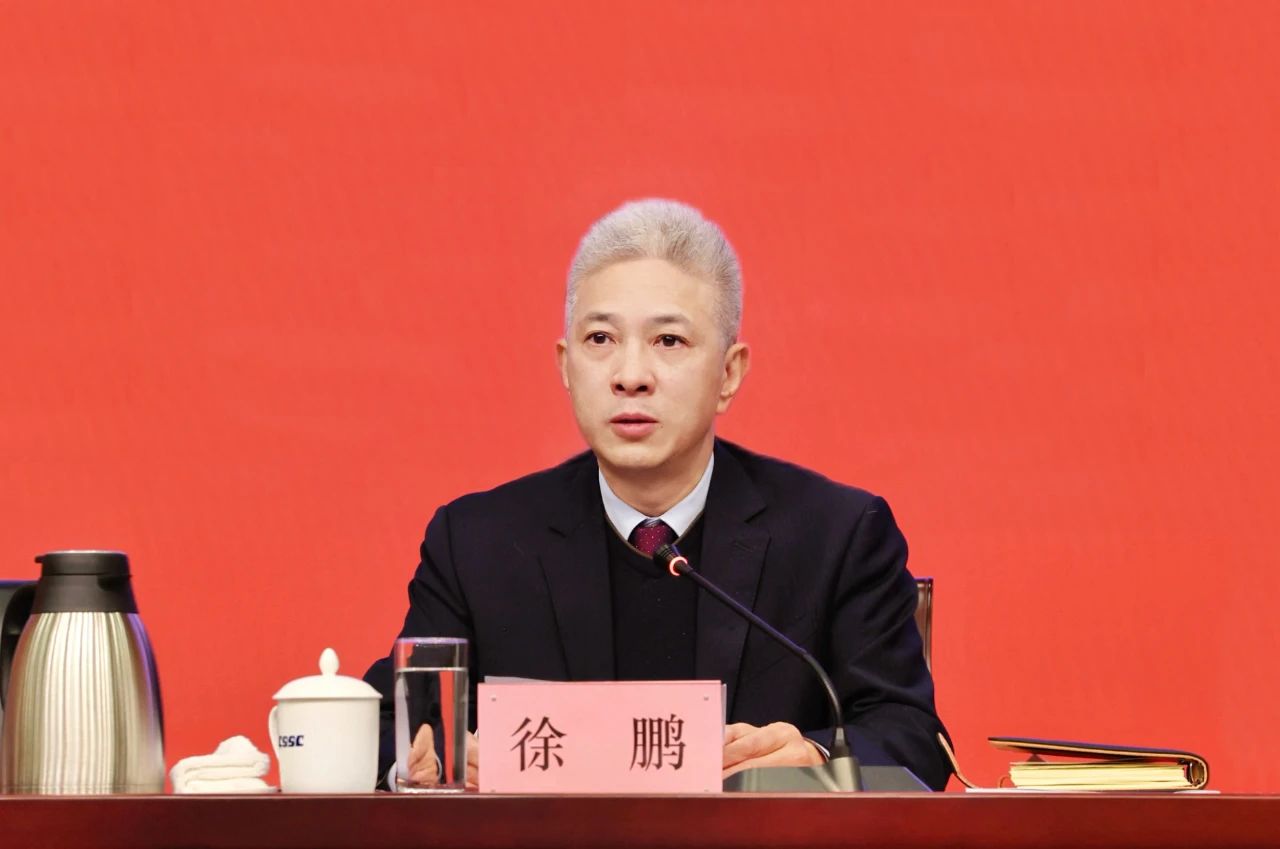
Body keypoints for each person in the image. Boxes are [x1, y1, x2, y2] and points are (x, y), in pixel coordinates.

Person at [363, 199, 951, 790]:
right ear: (566, 366)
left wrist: (817, 758)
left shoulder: (837, 536)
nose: (630, 375)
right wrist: (427, 759)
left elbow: (910, 736)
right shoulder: (478, 544)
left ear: (729, 374)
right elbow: (389, 721)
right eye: (600, 338)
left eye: (668, 341)